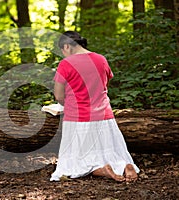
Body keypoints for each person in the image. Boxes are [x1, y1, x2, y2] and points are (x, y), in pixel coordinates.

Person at [50, 31, 139, 182]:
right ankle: (125, 165)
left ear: (66, 46)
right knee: (112, 153)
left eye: (62, 51)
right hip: (104, 118)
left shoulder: (66, 64)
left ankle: (101, 170)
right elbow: (104, 86)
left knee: (74, 164)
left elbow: (58, 96)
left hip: (77, 120)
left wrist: (67, 105)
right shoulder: (101, 59)